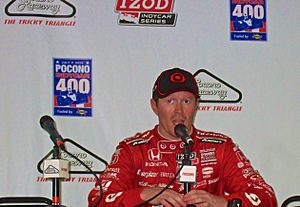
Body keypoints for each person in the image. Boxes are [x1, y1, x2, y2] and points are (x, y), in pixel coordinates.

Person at [88, 67, 277, 207]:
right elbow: (97, 200)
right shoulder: (132, 150)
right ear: (155, 106)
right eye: (170, 101)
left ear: (196, 105)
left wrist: (220, 202)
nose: (178, 110)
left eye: (186, 101)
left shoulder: (220, 147)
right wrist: (145, 195)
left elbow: (266, 197)